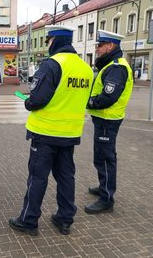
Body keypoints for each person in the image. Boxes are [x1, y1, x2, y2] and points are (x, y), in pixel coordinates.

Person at [9, 25, 93, 236]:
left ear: (55, 41)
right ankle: (65, 219)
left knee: (38, 178)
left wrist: (27, 101)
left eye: (48, 41)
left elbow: (37, 100)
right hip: (70, 133)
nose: (47, 45)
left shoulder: (52, 64)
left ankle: (28, 221)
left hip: (46, 134)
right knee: (66, 177)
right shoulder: (85, 68)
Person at [85, 30, 133, 214]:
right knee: (101, 156)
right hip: (104, 118)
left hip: (108, 119)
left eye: (100, 46)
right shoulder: (111, 66)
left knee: (106, 158)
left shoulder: (116, 67)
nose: (97, 49)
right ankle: (103, 186)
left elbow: (108, 97)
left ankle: (106, 198)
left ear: (110, 46)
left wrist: (88, 102)